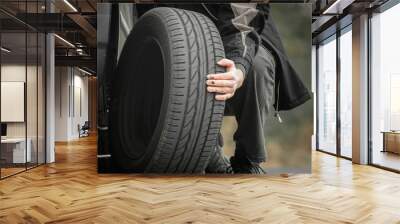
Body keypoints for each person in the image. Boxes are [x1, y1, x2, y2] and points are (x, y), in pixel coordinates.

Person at [137, 3, 311, 174]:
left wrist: (239, 68)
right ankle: (207, 153)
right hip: (179, 36)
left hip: (241, 32)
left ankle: (248, 161)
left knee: (256, 68)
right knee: (184, 66)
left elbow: (244, 20)